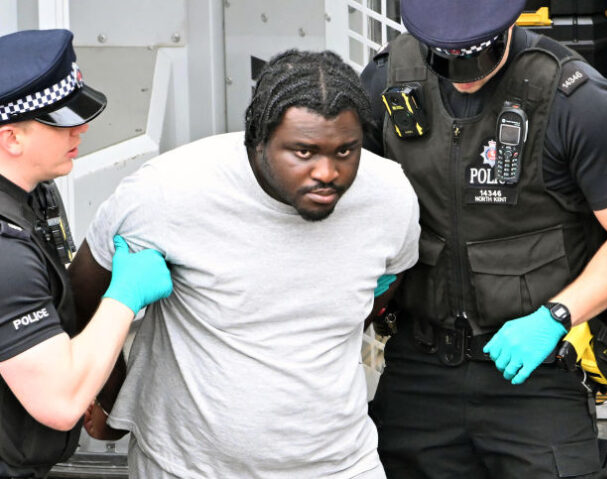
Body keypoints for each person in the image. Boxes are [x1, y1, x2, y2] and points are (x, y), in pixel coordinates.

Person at [69, 49, 420, 479]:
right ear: (257, 138)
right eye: (304, 152)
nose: (328, 172)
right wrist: (113, 395)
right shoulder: (167, 191)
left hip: (340, 464)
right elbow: (83, 291)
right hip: (186, 467)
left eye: (346, 150)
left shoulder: (389, 196)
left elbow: (388, 282)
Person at [360, 0, 607, 477]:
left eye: (475, 58)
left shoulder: (572, 95)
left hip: (535, 371)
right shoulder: (388, 82)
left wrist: (556, 317)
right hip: (421, 369)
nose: (463, 76)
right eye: (445, 60)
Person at [0, 29, 173, 479]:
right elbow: (59, 401)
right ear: (11, 139)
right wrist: (124, 297)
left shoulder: (33, 193)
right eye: (60, 121)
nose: (81, 128)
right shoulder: (5, 253)